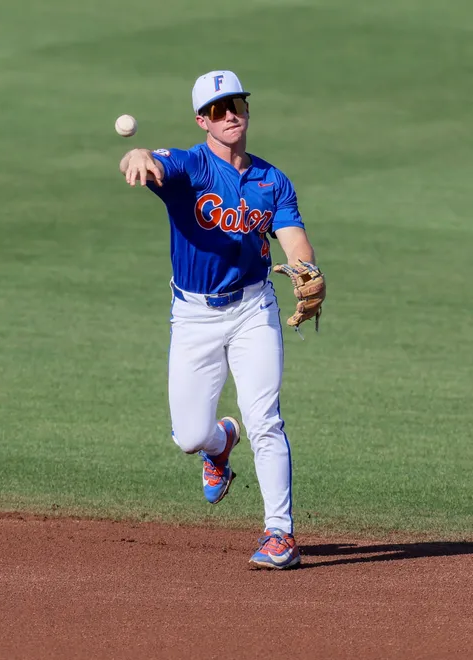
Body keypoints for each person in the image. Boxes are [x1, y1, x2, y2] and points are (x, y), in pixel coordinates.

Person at [119, 70, 323, 569]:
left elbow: (292, 235)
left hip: (255, 308)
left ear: (247, 110)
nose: (228, 114)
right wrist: (139, 156)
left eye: (235, 104)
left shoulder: (272, 180)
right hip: (193, 316)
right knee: (190, 437)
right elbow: (143, 158)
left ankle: (281, 535)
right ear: (201, 120)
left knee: (266, 421)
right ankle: (219, 444)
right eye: (216, 109)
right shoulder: (190, 167)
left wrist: (306, 268)